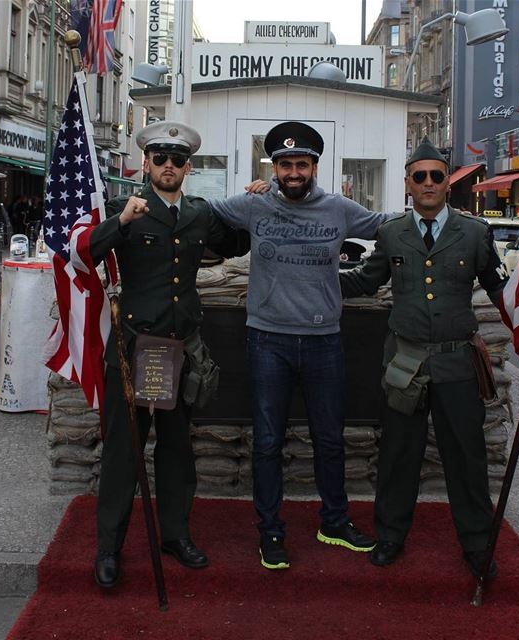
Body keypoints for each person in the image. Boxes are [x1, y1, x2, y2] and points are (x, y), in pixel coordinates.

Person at [209, 121, 395, 570]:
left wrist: (442, 209)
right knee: (268, 441)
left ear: (314, 166)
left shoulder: (339, 208)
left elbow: (387, 225)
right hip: (267, 340)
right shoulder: (254, 205)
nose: (294, 172)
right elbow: (201, 212)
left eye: (302, 164)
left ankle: (333, 520)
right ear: (274, 167)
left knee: (329, 439)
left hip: (323, 342)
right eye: (285, 164)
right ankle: (270, 530)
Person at [339, 137, 517, 578]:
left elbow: (498, 289)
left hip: (457, 364)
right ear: (407, 184)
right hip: (405, 364)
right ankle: (391, 537)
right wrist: (314, 278)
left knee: (467, 457)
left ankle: (476, 544)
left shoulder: (474, 233)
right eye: (420, 176)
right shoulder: (391, 232)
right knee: (400, 455)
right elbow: (367, 280)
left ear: (447, 183)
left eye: (436, 176)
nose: (429, 183)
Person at [88, 120, 249, 588]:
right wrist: (121, 223)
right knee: (125, 451)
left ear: (189, 167)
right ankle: (109, 546)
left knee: (179, 449)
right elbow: (87, 253)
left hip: (181, 349)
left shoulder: (199, 213)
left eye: (178, 160)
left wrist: (259, 202)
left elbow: (236, 243)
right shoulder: (125, 207)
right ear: (146, 163)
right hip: (136, 346)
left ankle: (175, 534)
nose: (169, 166)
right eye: (161, 158)